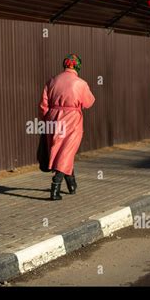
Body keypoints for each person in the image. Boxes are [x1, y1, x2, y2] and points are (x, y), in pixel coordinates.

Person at [39, 54, 95, 201]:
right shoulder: (80, 83)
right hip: (71, 119)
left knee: (60, 150)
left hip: (52, 118)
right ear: (77, 66)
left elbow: (43, 105)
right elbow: (89, 102)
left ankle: (72, 184)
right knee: (67, 152)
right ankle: (55, 187)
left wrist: (46, 120)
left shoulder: (52, 81)